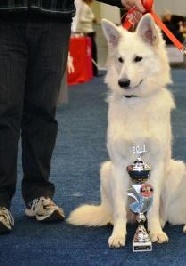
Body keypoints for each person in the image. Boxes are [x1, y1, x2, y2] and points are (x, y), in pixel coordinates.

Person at [0, 0, 148, 234]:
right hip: (5, 15)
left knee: (43, 111)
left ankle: (38, 194)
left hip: (53, 18)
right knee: (4, 111)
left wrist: (124, 1)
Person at [75, 0, 99, 76]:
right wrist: (91, 20)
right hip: (87, 31)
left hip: (90, 31)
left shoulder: (88, 6)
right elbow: (81, 19)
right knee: (92, 52)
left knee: (93, 52)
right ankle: (93, 71)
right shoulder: (85, 7)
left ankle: (94, 71)